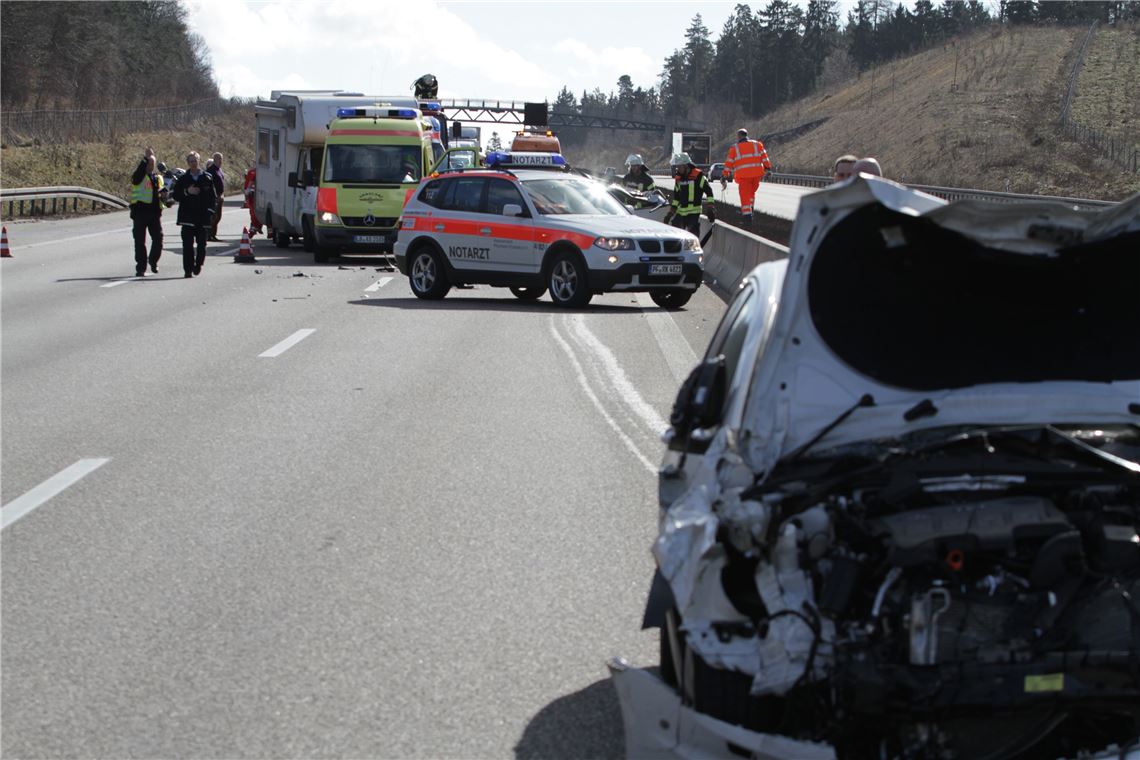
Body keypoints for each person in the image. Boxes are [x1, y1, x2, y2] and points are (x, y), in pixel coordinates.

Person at [171, 151, 218, 278]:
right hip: (187, 218)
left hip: (202, 218)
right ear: (188, 163)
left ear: (199, 161)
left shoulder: (207, 178)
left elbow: (213, 197)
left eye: (195, 160)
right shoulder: (183, 179)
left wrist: (210, 211)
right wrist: (187, 191)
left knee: (202, 245)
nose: (193, 163)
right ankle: (188, 269)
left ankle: (198, 265)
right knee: (187, 246)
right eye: (191, 161)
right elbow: (175, 195)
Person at [129, 147, 165, 276]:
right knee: (139, 242)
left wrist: (166, 200)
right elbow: (137, 176)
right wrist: (145, 159)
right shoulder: (139, 176)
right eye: (148, 163)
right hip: (140, 212)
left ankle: (153, 261)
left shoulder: (157, 178)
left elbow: (161, 195)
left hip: (154, 213)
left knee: (158, 239)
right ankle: (141, 267)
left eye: (152, 164)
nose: (150, 166)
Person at [723, 128, 772, 221]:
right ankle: (751, 209)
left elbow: (729, 163)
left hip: (744, 176)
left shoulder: (735, 148)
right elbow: (765, 158)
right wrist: (768, 168)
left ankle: (747, 217)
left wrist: (724, 175)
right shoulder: (757, 144)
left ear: (739, 136)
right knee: (751, 193)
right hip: (757, 175)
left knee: (745, 196)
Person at [663, 152, 713, 236]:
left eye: (679, 166)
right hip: (681, 212)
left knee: (692, 234)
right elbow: (676, 198)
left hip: (694, 212)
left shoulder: (698, 176)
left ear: (686, 166)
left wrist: (710, 208)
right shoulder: (678, 178)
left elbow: (709, 192)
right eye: (677, 166)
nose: (677, 169)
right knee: (674, 232)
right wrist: (670, 214)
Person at [208, 152, 225, 241]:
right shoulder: (211, 170)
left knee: (218, 216)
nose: (220, 160)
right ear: (214, 159)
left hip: (220, 196)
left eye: (221, 158)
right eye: (218, 159)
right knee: (213, 217)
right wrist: (215, 196)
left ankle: (213, 234)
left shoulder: (220, 170)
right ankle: (209, 235)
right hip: (214, 197)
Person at [243, 163, 262, 235]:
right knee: (254, 212)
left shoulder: (252, 172)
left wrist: (247, 193)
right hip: (253, 195)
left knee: (253, 212)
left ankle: (255, 227)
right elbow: (248, 184)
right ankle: (255, 227)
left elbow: (248, 185)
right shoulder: (253, 172)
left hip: (253, 194)